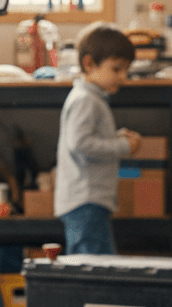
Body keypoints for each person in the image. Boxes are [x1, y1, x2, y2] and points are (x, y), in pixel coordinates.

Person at [54, 23, 142, 254]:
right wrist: (122, 146)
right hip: (86, 201)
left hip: (88, 201)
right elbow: (81, 144)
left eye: (126, 70)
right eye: (116, 69)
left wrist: (115, 137)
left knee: (91, 268)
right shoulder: (86, 100)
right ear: (89, 64)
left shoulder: (91, 98)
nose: (123, 77)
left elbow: (86, 138)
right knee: (94, 270)